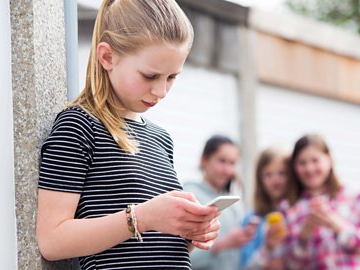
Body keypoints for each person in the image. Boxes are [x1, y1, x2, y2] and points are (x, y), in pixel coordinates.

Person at [36, 1, 221, 269]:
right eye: (150, 76)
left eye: (172, 77)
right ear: (107, 57)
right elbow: (52, 240)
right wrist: (142, 217)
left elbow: (149, 249)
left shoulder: (161, 139)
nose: (161, 91)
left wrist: (190, 232)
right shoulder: (79, 126)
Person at [284, 134, 360, 269]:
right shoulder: (290, 208)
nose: (309, 169)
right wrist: (304, 234)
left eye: (315, 160)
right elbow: (291, 265)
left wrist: (335, 223)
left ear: (329, 159)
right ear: (294, 167)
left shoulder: (353, 195)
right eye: (302, 163)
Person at [183, 135, 257, 270]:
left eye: (232, 163)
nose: (228, 170)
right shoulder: (188, 196)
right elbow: (178, 257)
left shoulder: (234, 204)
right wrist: (221, 245)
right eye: (222, 161)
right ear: (204, 160)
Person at [240, 148, 289, 270]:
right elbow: (245, 265)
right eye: (268, 174)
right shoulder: (252, 219)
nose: (275, 180)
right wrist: (267, 249)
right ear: (260, 179)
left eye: (282, 173)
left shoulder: (296, 212)